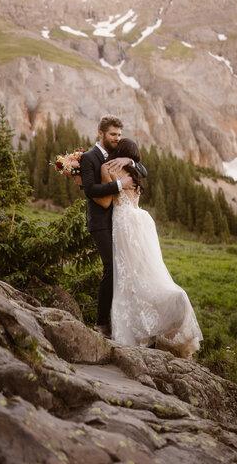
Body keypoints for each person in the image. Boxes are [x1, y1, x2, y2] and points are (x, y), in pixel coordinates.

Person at [94, 138, 203, 358]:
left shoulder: (108, 168)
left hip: (124, 222)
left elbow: (106, 200)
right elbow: (139, 169)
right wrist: (131, 163)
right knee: (143, 270)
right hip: (141, 221)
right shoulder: (136, 172)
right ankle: (154, 319)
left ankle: (132, 327)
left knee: (126, 275)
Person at [79, 115, 147, 339]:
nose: (117, 138)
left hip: (120, 222)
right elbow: (89, 189)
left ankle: (124, 321)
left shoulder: (121, 157)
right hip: (100, 222)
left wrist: (131, 162)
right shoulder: (89, 157)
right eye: (113, 134)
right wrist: (120, 184)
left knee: (125, 269)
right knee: (111, 267)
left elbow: (143, 171)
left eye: (119, 134)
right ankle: (101, 323)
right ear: (101, 134)